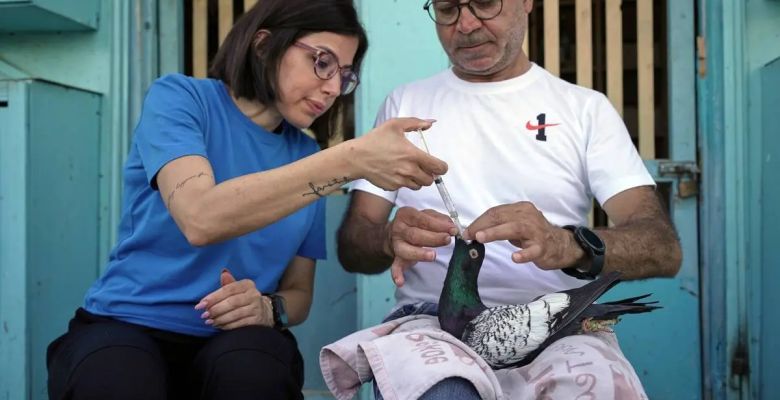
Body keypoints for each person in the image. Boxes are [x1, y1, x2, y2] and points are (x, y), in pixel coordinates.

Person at [45, 1, 447, 399]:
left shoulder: (308, 158)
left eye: (344, 76)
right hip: (127, 325)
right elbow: (200, 218)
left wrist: (268, 309)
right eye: (322, 63)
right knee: (118, 378)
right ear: (264, 45)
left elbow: (298, 294)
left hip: (235, 341)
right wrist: (351, 159)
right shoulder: (181, 99)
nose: (332, 87)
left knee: (253, 371)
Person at [337, 0, 682, 398]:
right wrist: (385, 239)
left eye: (484, 2)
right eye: (448, 8)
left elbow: (662, 248)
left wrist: (566, 244)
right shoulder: (405, 107)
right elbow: (353, 244)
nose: (465, 24)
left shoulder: (585, 110)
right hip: (433, 322)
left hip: (558, 321)